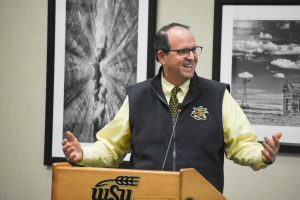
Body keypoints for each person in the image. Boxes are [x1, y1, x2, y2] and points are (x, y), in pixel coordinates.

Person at [62, 23, 282, 193]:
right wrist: (83, 154)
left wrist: (262, 156)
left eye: (194, 50)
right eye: (183, 51)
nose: (192, 57)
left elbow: (242, 145)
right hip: (147, 195)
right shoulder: (138, 96)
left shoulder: (217, 95)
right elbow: (111, 148)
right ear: (162, 56)